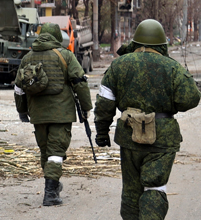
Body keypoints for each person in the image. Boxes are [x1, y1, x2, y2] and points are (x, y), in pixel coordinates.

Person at [94, 19, 200, 220]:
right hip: (161, 138)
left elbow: (104, 103)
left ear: (136, 41)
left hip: (129, 136)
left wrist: (102, 132)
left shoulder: (119, 65)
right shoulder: (172, 67)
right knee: (155, 187)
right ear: (162, 44)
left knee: (131, 189)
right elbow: (191, 98)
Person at [14, 22, 92, 206]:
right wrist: (85, 107)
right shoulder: (65, 55)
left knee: (45, 151)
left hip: (37, 114)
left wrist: (22, 111)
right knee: (56, 152)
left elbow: (19, 88)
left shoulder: (27, 58)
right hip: (61, 114)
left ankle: (53, 185)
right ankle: (50, 194)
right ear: (57, 37)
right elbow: (80, 82)